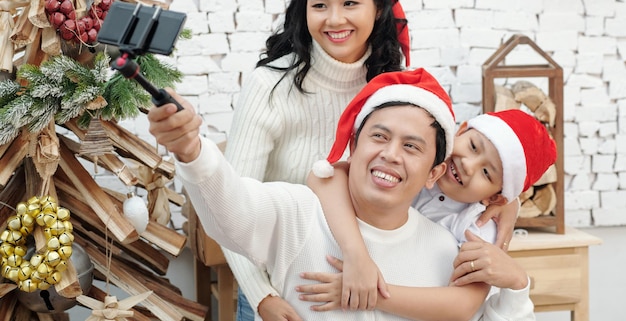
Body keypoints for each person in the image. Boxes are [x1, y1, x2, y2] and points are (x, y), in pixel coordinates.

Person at [148, 68, 534, 321]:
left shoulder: (449, 251)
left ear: (435, 171)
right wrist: (192, 151)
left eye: (412, 147)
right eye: (379, 136)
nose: (390, 154)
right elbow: (233, 210)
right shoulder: (300, 213)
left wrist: (519, 284)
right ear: (354, 146)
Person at [221, 0, 410, 321]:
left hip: (370, 288)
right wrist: (261, 297)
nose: (334, 19)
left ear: (378, 9)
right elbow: (232, 206)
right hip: (283, 290)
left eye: (350, 3)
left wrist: (505, 203)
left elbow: (437, 169)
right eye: (319, 4)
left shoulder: (396, 87)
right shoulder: (271, 86)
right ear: (302, 11)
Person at [297, 109, 556, 317]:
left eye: (486, 173)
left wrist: (371, 293)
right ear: (461, 130)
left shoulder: (478, 230)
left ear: (494, 197)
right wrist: (358, 257)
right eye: (474, 147)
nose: (468, 165)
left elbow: (462, 305)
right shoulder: (414, 163)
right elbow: (323, 177)